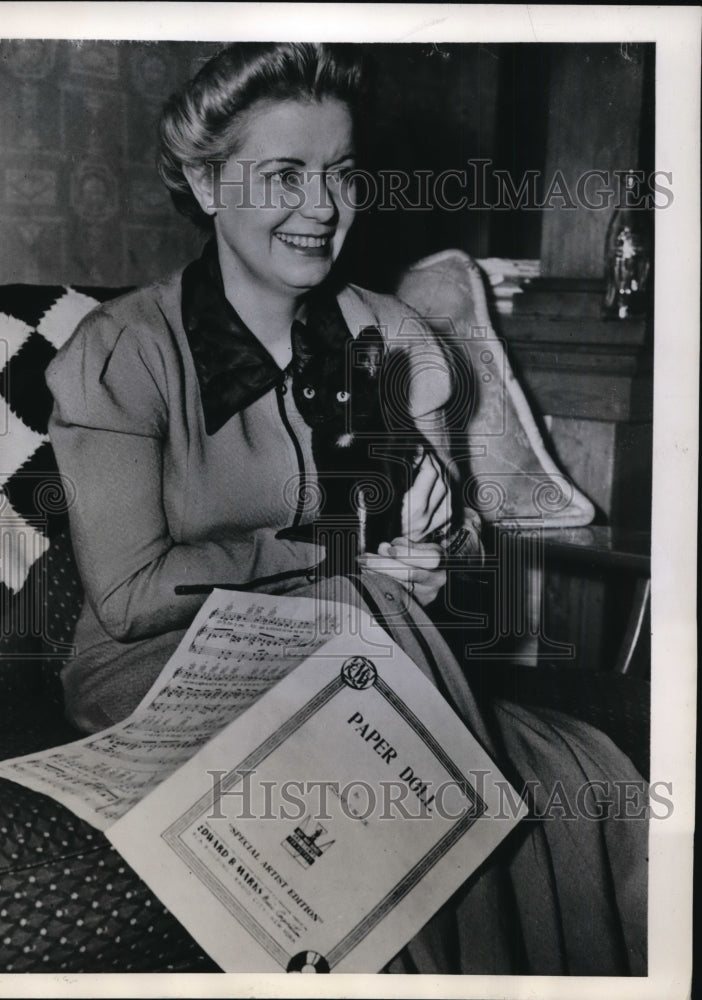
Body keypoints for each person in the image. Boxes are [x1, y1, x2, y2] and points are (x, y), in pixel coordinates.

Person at [46, 42, 647, 976]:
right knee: (364, 649)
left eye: (341, 174)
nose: (321, 207)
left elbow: (446, 588)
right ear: (208, 186)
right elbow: (126, 596)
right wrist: (332, 555)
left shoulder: (394, 333)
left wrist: (435, 548)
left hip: (368, 652)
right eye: (284, 173)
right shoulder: (123, 350)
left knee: (584, 778)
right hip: (157, 670)